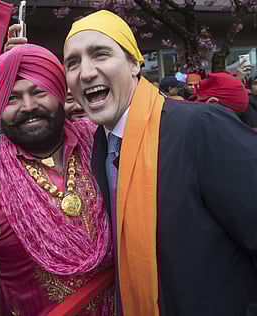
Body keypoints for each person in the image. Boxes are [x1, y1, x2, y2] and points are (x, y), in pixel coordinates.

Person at [64, 10, 257, 316]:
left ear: (133, 64)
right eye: (72, 63)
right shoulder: (99, 150)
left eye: (100, 54)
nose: (86, 72)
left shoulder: (200, 128)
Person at [0, 44, 114, 315]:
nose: (28, 107)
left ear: (59, 94)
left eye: (39, 92)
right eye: (11, 99)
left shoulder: (104, 143)